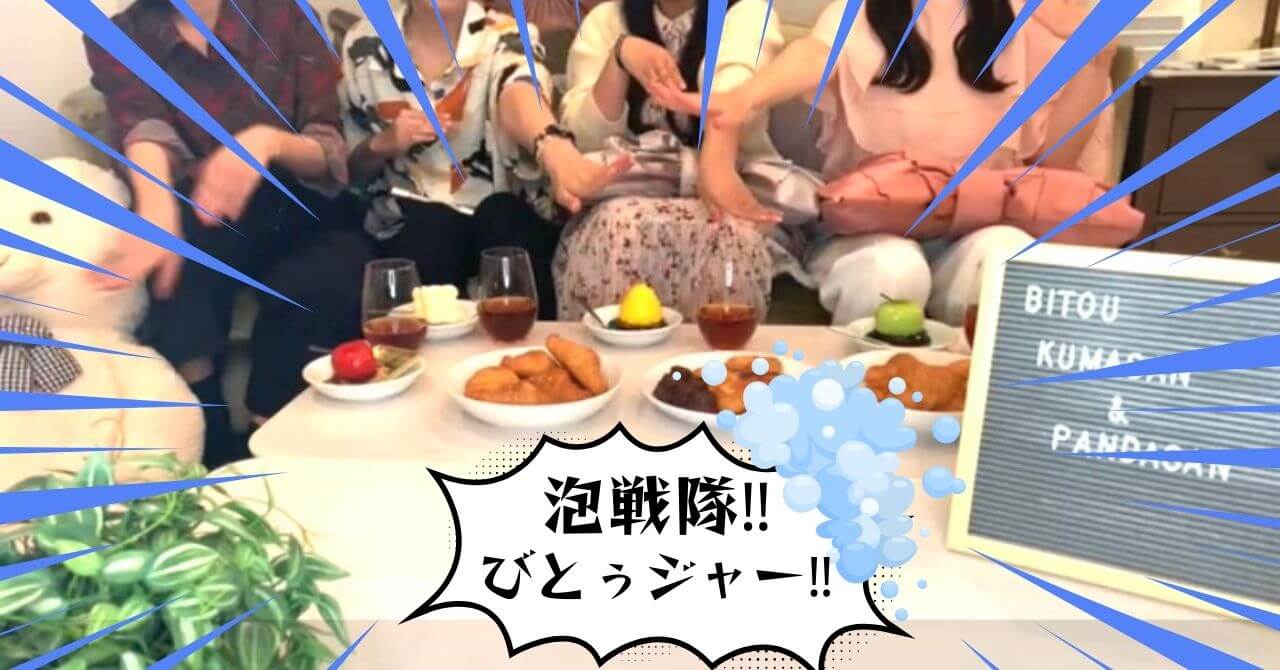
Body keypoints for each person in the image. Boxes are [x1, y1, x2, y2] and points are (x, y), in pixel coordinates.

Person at [678, 0, 1116, 325]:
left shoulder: (1028, 20)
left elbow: (1052, 167)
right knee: (891, 272)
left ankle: (965, 407)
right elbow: (815, 54)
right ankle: (863, 405)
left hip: (974, 231)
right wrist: (746, 98)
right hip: (864, 232)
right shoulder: (862, 13)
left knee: (1006, 258)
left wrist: (1095, 59)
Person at [85, 0, 374, 467]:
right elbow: (142, 127)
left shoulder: (285, 14)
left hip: (296, 201)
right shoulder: (120, 35)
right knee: (176, 267)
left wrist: (265, 143)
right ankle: (210, 443)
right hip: (201, 211)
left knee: (335, 269)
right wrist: (156, 209)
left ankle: (268, 429)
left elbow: (327, 149)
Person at [341, 0, 626, 320]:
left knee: (502, 220)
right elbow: (348, 171)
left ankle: (534, 346)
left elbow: (519, 89)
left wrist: (554, 148)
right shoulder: (364, 43)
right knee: (430, 229)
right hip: (408, 224)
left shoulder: (506, 35)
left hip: (496, 215)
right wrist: (385, 142)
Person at [554, 0, 805, 320]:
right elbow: (585, 140)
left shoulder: (746, 11)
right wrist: (620, 57)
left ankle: (717, 352)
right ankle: (613, 352)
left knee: (726, 235)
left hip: (727, 188)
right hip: (625, 194)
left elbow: (734, 84)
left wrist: (714, 162)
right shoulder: (607, 21)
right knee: (616, 226)